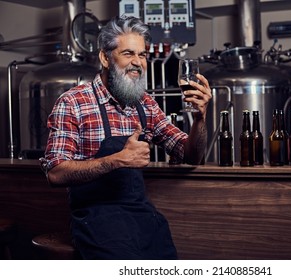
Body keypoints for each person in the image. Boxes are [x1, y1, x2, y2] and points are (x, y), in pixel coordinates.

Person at [40, 15, 212, 260]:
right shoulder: (73, 102)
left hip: (142, 217)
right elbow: (55, 173)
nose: (138, 62)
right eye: (128, 53)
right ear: (105, 58)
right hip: (97, 220)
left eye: (142, 55)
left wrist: (199, 119)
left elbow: (191, 155)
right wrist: (117, 160)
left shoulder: (145, 103)